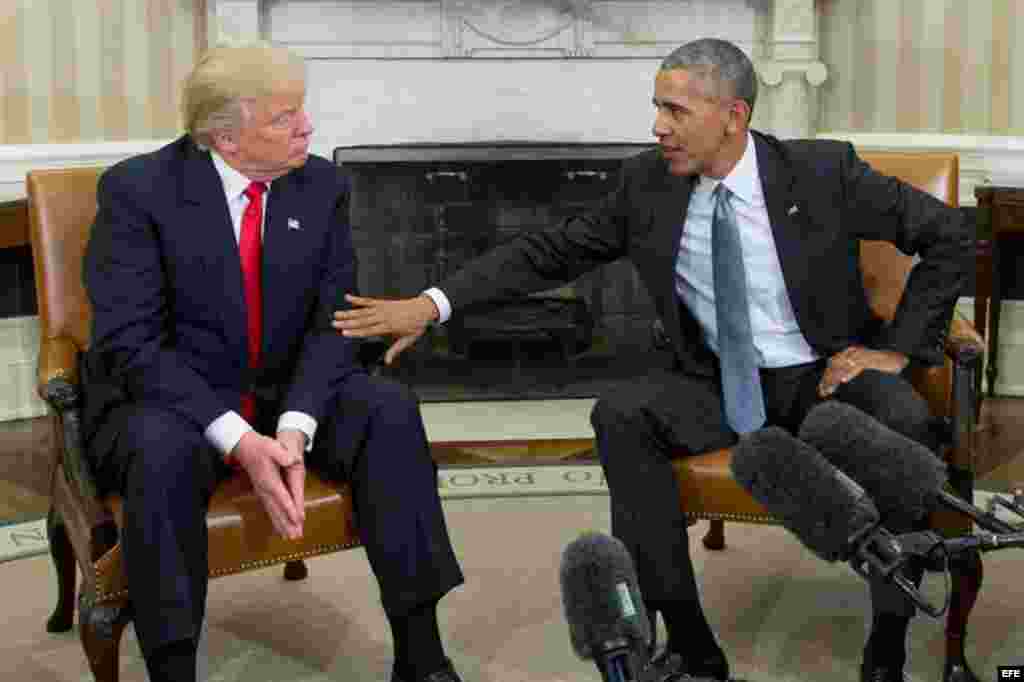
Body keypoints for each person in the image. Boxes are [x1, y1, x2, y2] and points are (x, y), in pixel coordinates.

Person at [332, 38, 970, 682]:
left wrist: (894, 351)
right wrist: (431, 304)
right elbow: (548, 253)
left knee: (901, 416)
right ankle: (689, 642)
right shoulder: (646, 183)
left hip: (823, 375)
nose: (658, 127)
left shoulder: (822, 172)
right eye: (655, 108)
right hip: (716, 381)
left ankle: (888, 637)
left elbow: (949, 234)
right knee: (622, 416)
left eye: (675, 111)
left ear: (734, 115)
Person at [82, 43, 465, 682]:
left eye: (302, 112)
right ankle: (173, 665)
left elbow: (333, 323)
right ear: (226, 138)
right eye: (285, 118)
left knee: (389, 411)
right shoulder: (138, 192)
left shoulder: (322, 186)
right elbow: (131, 345)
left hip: (285, 388)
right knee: (161, 451)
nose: (307, 128)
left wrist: (295, 426)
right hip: (172, 399)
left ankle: (421, 654)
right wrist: (238, 439)